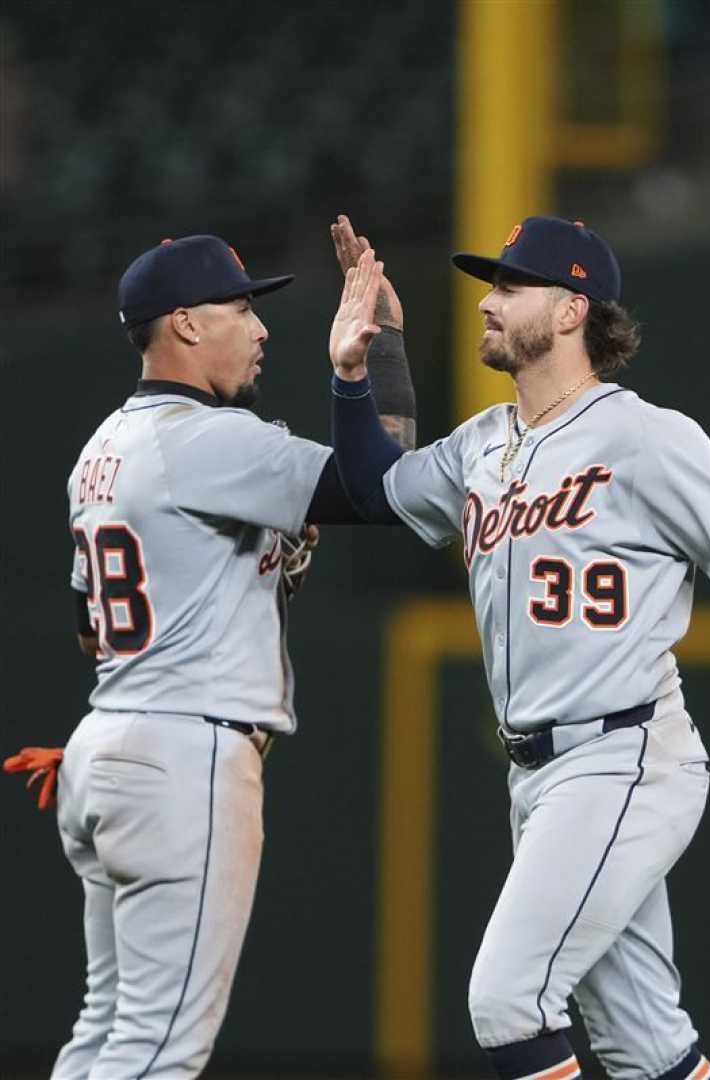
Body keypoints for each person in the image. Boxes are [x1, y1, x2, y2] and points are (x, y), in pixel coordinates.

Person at [325, 215, 710, 1080]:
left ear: (573, 309)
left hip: (624, 757)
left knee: (507, 1001)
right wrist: (367, 360)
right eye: (489, 285)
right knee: (645, 1046)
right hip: (539, 778)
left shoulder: (644, 435)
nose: (488, 303)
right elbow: (368, 490)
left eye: (510, 286)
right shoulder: (480, 445)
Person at [29, 232, 414, 1077]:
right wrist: (377, 356)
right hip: (183, 755)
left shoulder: (99, 450)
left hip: (111, 744)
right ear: (186, 326)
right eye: (241, 307)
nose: (261, 326)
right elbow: (384, 487)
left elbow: (92, 628)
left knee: (105, 1030)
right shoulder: (208, 441)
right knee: (160, 1049)